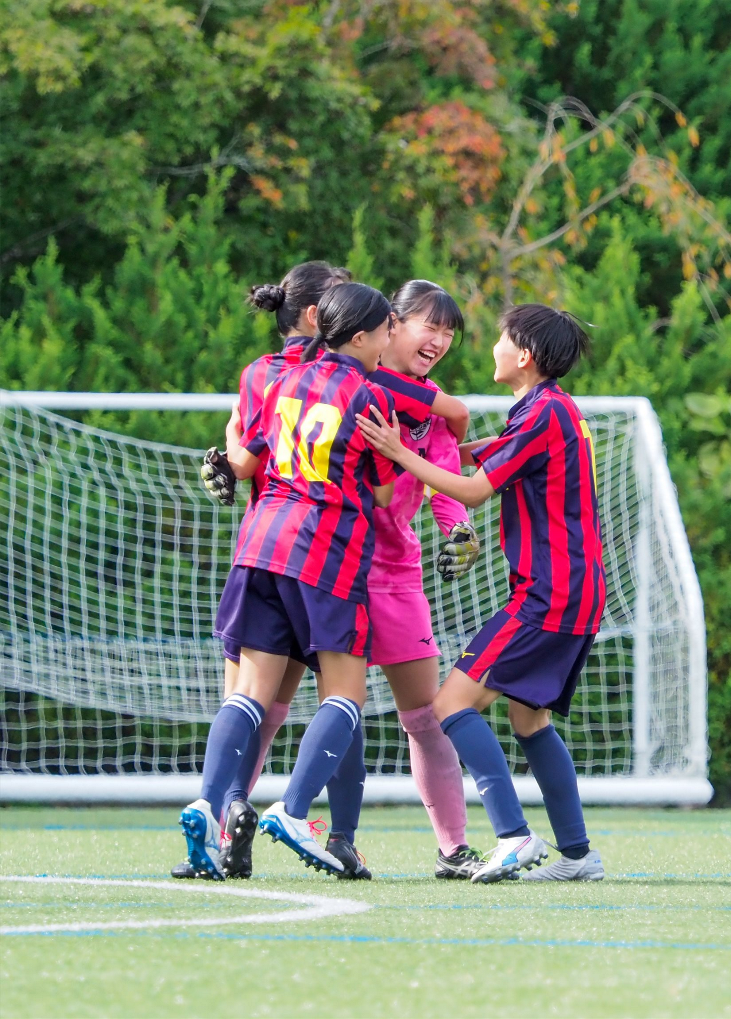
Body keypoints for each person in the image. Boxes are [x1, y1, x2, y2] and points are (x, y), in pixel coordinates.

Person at [358, 303, 606, 883]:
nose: (490, 347)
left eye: (500, 339)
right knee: (530, 722)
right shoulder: (551, 412)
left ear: (523, 356)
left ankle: (514, 837)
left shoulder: (542, 415)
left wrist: (400, 454)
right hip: (576, 592)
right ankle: (577, 855)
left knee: (448, 706)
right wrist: (432, 449)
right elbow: (482, 454)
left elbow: (472, 492)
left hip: (548, 594)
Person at [178, 282, 399, 879]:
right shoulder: (371, 395)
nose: (390, 340)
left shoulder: (277, 380)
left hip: (260, 543)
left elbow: (248, 458)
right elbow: (381, 492)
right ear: (360, 337)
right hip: (325, 553)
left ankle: (207, 801)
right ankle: (296, 811)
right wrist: (399, 450)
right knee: (346, 695)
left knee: (248, 693)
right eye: (385, 331)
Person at [362, 279, 487, 879]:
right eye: (427, 325)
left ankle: (453, 847)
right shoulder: (345, 379)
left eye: (448, 331)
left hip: (395, 576)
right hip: (324, 567)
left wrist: (459, 531)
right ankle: (226, 821)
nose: (438, 339)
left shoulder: (433, 406)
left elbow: (442, 483)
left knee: (425, 717)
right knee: (277, 706)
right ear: (391, 323)